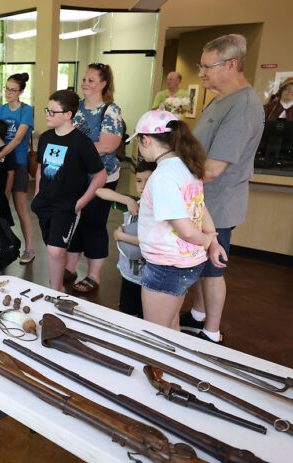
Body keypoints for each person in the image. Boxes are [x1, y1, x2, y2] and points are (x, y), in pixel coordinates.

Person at [181, 34, 265, 344]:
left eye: (206, 67)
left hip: (218, 203)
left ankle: (212, 333)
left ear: (230, 65)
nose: (200, 73)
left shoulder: (242, 107)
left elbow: (214, 168)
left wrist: (171, 175)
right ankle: (198, 316)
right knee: (203, 267)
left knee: (214, 269)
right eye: (199, 66)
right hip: (202, 201)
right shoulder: (220, 98)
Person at [129, 110, 224, 330]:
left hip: (166, 266)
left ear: (146, 139)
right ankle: (170, 365)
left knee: (156, 333)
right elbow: (201, 208)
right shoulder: (187, 167)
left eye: (139, 143)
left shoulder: (162, 176)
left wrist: (209, 241)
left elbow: (187, 230)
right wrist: (211, 240)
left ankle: (158, 365)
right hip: (188, 262)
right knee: (171, 325)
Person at [31, 90, 106, 291]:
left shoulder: (81, 142)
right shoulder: (46, 137)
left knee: (55, 250)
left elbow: (100, 176)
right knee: (53, 248)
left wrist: (79, 203)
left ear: (68, 115)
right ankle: (57, 284)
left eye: (52, 111)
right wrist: (38, 193)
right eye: (47, 110)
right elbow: (40, 167)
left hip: (66, 206)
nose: (47, 114)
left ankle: (55, 290)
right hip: (44, 203)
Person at [66, 63, 125, 293]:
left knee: (93, 223)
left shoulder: (110, 110)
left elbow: (108, 145)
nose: (85, 83)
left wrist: (76, 148)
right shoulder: (76, 107)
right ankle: (70, 267)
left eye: (91, 80)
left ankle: (94, 274)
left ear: (103, 84)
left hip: (103, 177)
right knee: (74, 220)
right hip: (76, 177)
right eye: (84, 79)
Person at [97, 161, 157, 318]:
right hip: (129, 274)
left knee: (147, 316)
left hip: (149, 278)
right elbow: (100, 191)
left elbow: (149, 241)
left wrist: (121, 236)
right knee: (127, 314)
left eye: (149, 181)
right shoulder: (133, 204)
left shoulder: (161, 210)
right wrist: (127, 200)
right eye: (139, 181)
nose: (143, 186)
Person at [0, 72, 35, 263]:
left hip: (17, 162)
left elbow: (17, 139)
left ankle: (29, 248)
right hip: (0, 164)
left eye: (13, 90)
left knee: (19, 207)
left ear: (21, 91)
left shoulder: (26, 110)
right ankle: (1, 245)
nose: (8, 93)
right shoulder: (0, 110)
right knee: (0, 205)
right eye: (7, 89)